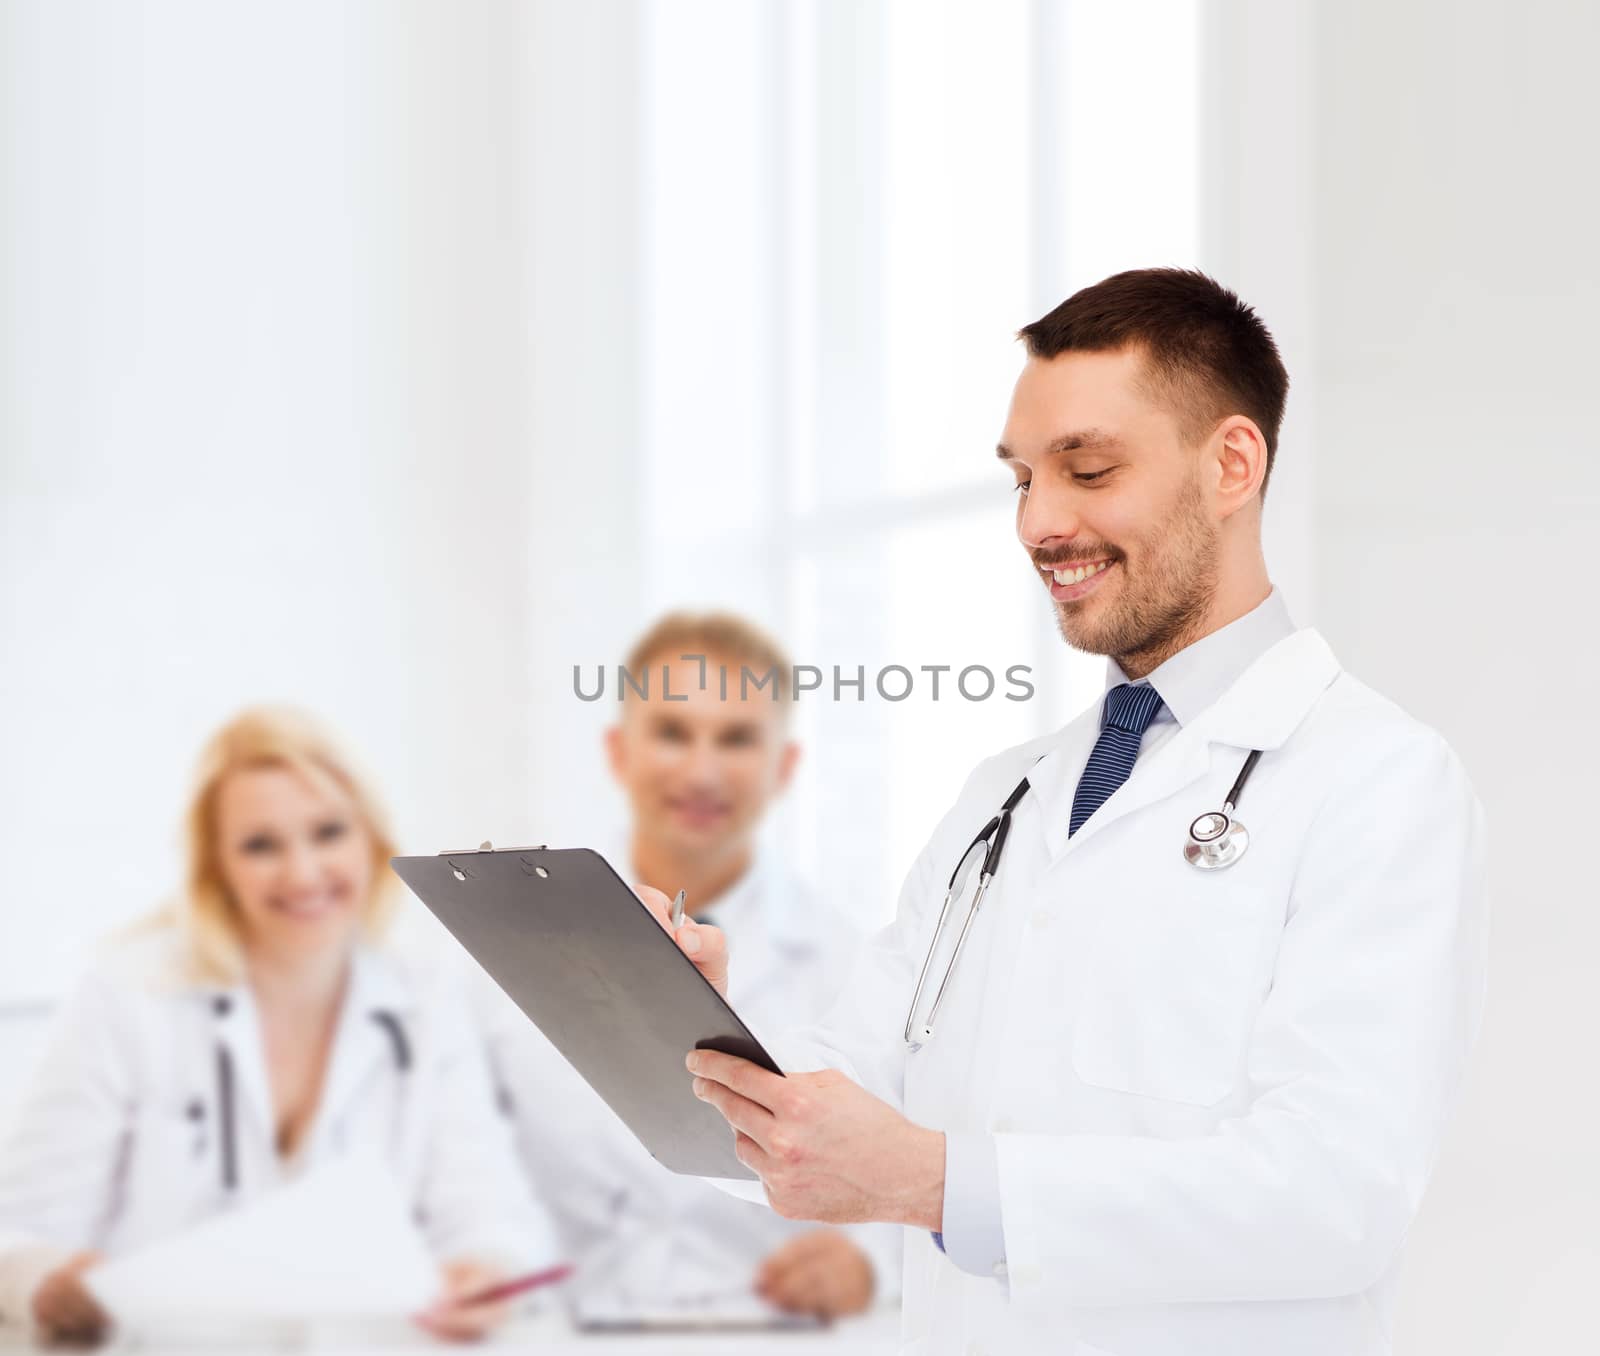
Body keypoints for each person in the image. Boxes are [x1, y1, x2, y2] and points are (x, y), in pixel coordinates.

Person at [647, 269, 1488, 1355]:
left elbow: (1336, 1200)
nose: (1040, 523)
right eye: (1022, 480)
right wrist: (694, 1037)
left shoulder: (1378, 782)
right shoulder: (1006, 793)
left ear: (1232, 464)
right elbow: (860, 1082)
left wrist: (943, 1184)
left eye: (1088, 470)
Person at [0, 708, 560, 1344]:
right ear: (217, 866)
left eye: (327, 833)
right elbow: (19, 1230)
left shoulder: (426, 997)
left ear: (371, 841)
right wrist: (50, 1285)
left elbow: (491, 1211)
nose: (302, 873)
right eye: (260, 845)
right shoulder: (129, 997)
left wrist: (484, 1270)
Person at [479, 612, 899, 1321]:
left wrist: (870, 1266)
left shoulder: (852, 964)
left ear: (784, 767)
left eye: (736, 739)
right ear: (618, 752)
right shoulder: (504, 937)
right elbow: (459, 1161)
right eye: (673, 732)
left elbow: (911, 1170)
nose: (702, 771)